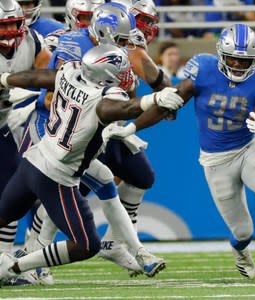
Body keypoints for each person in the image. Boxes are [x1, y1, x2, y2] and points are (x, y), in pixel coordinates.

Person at [108, 23, 255, 280]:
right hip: (215, 161)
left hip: (247, 150)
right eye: (233, 59)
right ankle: (241, 252)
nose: (238, 66)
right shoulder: (203, 71)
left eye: (244, 61)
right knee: (243, 233)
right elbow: (167, 106)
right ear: (221, 54)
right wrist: (131, 128)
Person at [0, 44, 183, 285]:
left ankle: (138, 250)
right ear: (104, 75)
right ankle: (15, 266)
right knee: (86, 245)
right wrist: (154, 98)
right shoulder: (100, 100)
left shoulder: (70, 71)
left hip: (34, 159)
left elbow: (39, 76)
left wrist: (5, 78)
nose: (126, 75)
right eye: (121, 71)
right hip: (56, 177)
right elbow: (126, 107)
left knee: (105, 180)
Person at [0, 0, 51, 262]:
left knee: (10, 190)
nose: (9, 31)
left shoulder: (34, 40)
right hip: (7, 117)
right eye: (3, 25)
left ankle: (3, 257)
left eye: (13, 24)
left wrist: (29, 95)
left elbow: (48, 77)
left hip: (6, 124)